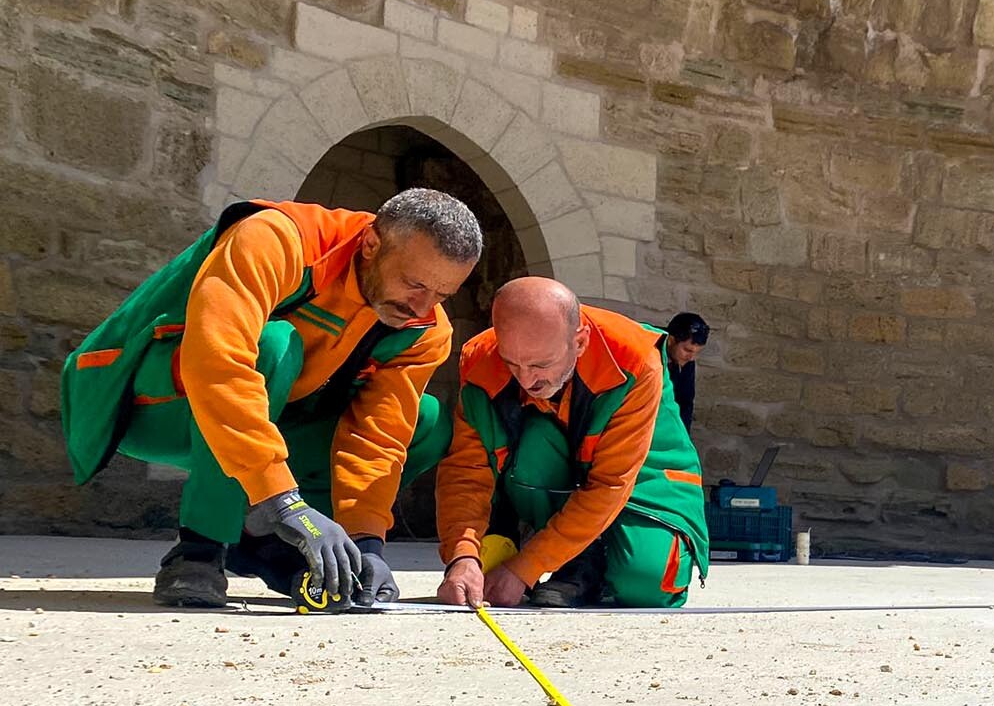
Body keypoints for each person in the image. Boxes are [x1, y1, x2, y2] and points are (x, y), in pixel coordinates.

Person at [62, 189, 480, 609]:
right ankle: (199, 548)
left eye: (442, 295)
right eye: (415, 284)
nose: (422, 307)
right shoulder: (275, 238)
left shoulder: (424, 328)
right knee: (273, 345)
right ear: (371, 244)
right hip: (149, 404)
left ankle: (270, 542)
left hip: (270, 418)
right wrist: (280, 498)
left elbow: (379, 437)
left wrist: (366, 542)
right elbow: (218, 362)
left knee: (424, 422)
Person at [434, 279, 709, 610]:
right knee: (537, 438)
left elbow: (610, 484)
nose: (525, 379)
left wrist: (524, 569)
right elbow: (467, 469)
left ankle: (587, 560)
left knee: (646, 584)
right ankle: (568, 559)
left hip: (646, 479)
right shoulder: (481, 359)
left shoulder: (634, 361)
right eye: (511, 363)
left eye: (539, 365)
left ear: (579, 342)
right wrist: (462, 555)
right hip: (561, 473)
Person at [663, 311, 708, 431]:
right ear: (671, 340)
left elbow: (685, 403)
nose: (691, 358)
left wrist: (683, 439)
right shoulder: (648, 350)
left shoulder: (686, 361)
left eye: (696, 352)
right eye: (687, 350)